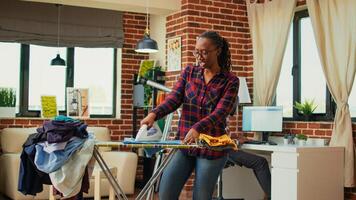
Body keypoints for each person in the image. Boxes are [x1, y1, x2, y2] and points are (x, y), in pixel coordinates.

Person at [141, 31, 239, 200]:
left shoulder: (230, 81)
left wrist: (198, 128)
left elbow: (221, 112)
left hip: (212, 146)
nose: (199, 56)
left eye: (204, 52)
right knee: (165, 192)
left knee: (201, 197)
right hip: (185, 143)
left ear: (218, 50)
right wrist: (153, 114)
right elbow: (174, 98)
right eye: (197, 51)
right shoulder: (189, 72)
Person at [228, 134, 271, 200]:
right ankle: (273, 196)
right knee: (261, 162)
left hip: (221, 151)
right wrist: (237, 141)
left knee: (260, 162)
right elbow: (216, 142)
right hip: (223, 151)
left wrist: (231, 137)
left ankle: (269, 195)